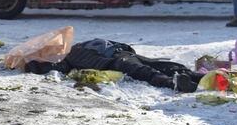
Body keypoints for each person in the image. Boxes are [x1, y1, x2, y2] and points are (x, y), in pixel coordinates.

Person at [24, 38, 203, 93]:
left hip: (124, 54)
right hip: (115, 62)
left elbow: (107, 43)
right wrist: (32, 64)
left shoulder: (79, 46)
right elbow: (52, 69)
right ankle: (175, 83)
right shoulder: (66, 61)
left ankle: (198, 77)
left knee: (164, 64)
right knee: (143, 71)